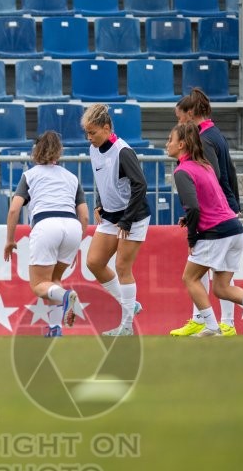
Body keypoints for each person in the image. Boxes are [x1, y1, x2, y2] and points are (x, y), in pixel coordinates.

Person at [167, 122, 243, 337]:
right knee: (221, 287)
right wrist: (189, 219)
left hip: (216, 233)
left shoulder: (182, 171)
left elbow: (195, 207)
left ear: (182, 144)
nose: (167, 144)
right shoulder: (204, 165)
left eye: (170, 140)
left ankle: (212, 328)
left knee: (190, 278)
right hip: (234, 229)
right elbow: (209, 202)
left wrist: (192, 237)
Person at [170, 88, 242, 337]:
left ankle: (212, 321)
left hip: (216, 212)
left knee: (200, 268)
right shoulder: (215, 133)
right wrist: (235, 204)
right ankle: (219, 321)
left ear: (189, 114)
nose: (178, 123)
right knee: (215, 271)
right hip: (225, 207)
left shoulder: (205, 138)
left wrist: (221, 204)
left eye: (179, 118)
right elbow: (229, 170)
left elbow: (215, 173)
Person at [4, 131, 89, 337]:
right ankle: (55, 328)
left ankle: (67, 296)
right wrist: (77, 243)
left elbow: (14, 209)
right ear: (59, 152)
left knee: (39, 285)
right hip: (72, 226)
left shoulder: (30, 175)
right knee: (53, 280)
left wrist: (9, 239)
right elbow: (85, 216)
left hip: (46, 224)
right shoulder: (71, 177)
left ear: (36, 151)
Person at [80, 104, 150, 337]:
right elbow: (102, 179)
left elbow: (140, 186)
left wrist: (127, 221)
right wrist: (99, 202)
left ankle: (127, 327)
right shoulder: (94, 149)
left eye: (93, 133)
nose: (89, 138)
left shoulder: (123, 151)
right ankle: (131, 304)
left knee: (122, 267)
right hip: (111, 217)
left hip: (133, 216)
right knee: (94, 262)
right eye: (87, 133)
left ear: (107, 128)